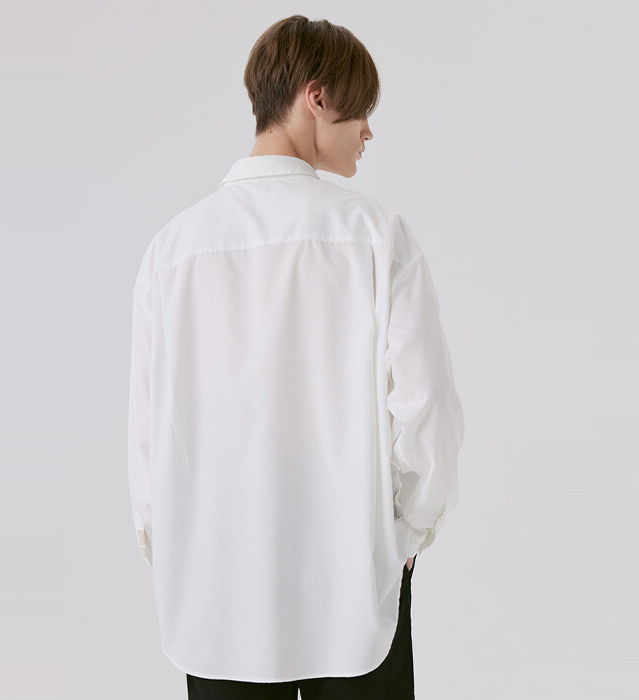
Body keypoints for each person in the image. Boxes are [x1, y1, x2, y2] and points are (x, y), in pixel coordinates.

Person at [127, 14, 465, 700]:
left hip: (216, 593)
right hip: (355, 584)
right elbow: (427, 406)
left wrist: (172, 548)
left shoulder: (173, 250)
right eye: (361, 111)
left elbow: (149, 433)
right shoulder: (376, 236)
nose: (368, 132)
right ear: (317, 98)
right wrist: (408, 530)